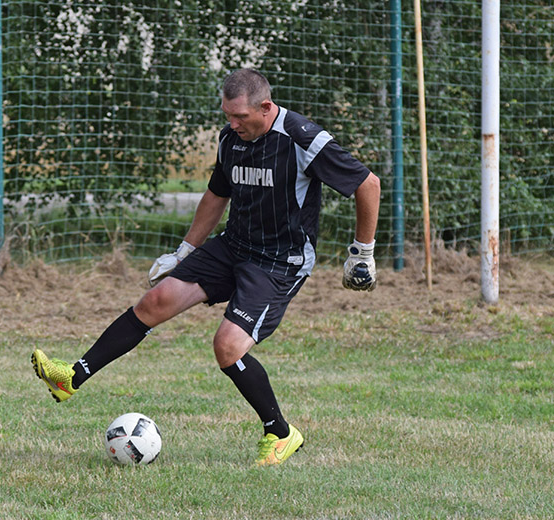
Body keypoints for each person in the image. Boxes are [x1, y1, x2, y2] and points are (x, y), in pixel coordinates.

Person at [32, 68, 381, 466]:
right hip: (233, 245)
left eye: (240, 117)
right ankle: (70, 378)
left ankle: (281, 433)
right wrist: (184, 252)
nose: (231, 125)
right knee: (156, 300)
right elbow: (218, 194)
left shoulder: (303, 139)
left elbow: (366, 184)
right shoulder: (231, 139)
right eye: (226, 116)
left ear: (265, 108)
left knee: (228, 347)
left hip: (279, 261)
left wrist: (362, 252)